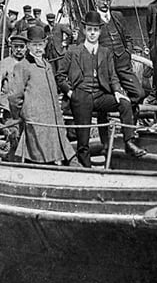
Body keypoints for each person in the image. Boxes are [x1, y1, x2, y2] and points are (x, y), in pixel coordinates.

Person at [56, 11, 147, 167]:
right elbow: (60, 76)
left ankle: (129, 142)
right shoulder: (73, 51)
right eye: (90, 30)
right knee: (83, 140)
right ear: (84, 30)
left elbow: (113, 77)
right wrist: (70, 93)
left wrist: (118, 92)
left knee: (125, 104)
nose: (92, 33)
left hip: (100, 95)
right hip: (81, 97)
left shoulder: (106, 52)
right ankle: (86, 168)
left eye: (96, 30)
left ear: (100, 31)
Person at [7, 26, 76, 165]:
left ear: (45, 43)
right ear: (28, 46)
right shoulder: (23, 66)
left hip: (52, 120)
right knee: (40, 157)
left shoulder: (47, 65)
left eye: (40, 44)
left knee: (57, 153)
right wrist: (22, 115)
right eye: (34, 45)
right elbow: (14, 97)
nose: (38, 48)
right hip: (35, 121)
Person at [94, 0, 145, 104]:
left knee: (139, 93)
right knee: (105, 99)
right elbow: (83, 46)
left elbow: (128, 38)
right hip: (104, 69)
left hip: (123, 66)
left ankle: (128, 115)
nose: (105, 3)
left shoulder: (117, 16)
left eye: (108, 0)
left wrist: (127, 52)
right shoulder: (91, 18)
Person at [0, 31, 28, 112]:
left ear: (26, 48)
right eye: (15, 47)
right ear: (11, 48)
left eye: (21, 47)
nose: (18, 49)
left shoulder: (30, 64)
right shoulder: (4, 63)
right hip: (8, 104)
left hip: (26, 104)